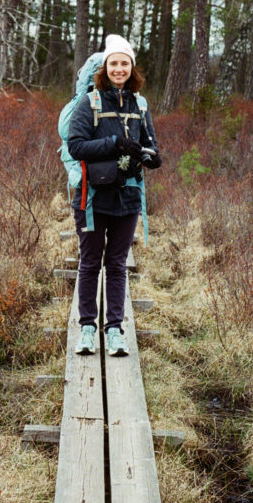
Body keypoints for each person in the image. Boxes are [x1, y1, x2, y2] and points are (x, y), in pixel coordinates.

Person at [67, 34, 161, 357]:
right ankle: (87, 329)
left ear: (131, 68)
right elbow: (75, 145)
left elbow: (150, 142)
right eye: (113, 63)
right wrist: (115, 144)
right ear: (104, 67)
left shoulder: (140, 104)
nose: (118, 68)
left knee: (117, 264)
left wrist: (152, 157)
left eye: (124, 63)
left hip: (128, 197)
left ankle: (115, 331)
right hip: (92, 198)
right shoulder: (90, 102)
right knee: (91, 261)